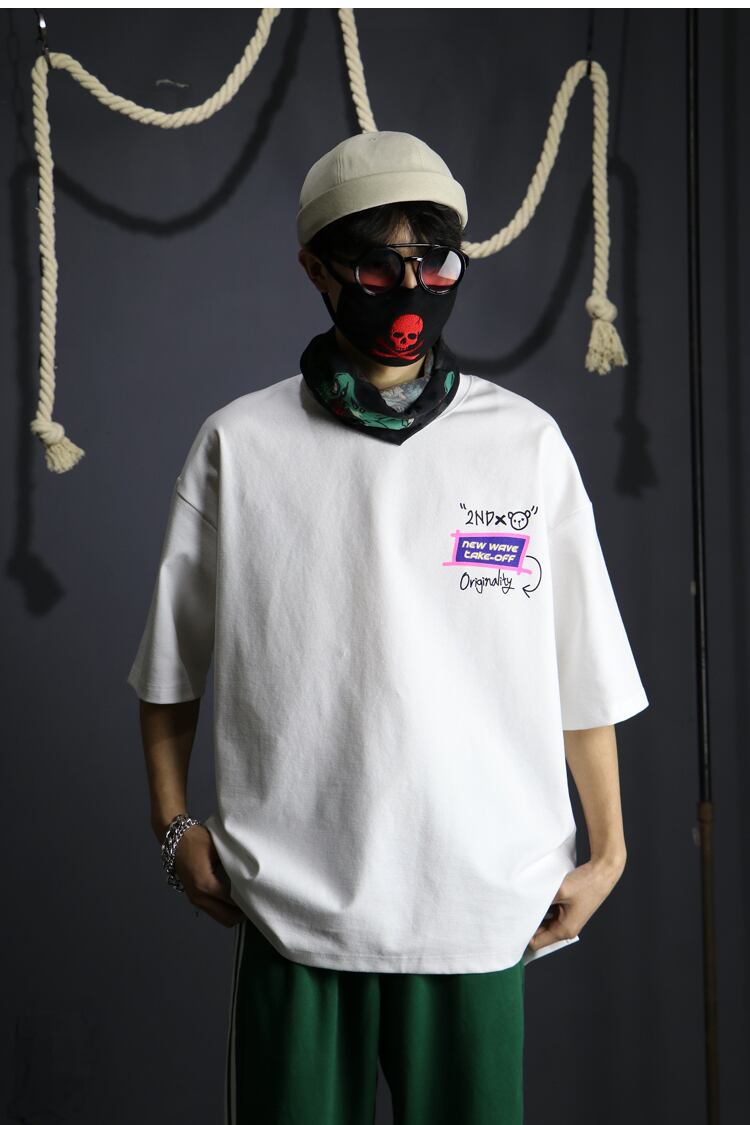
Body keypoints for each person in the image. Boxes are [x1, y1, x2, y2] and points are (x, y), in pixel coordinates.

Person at [128, 131, 649, 1125]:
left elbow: (581, 669)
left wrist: (610, 852)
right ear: (315, 270)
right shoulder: (240, 444)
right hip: (293, 906)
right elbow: (168, 667)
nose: (410, 289)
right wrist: (172, 825)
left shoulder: (526, 444)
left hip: (482, 907)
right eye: (376, 264)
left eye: (434, 261)